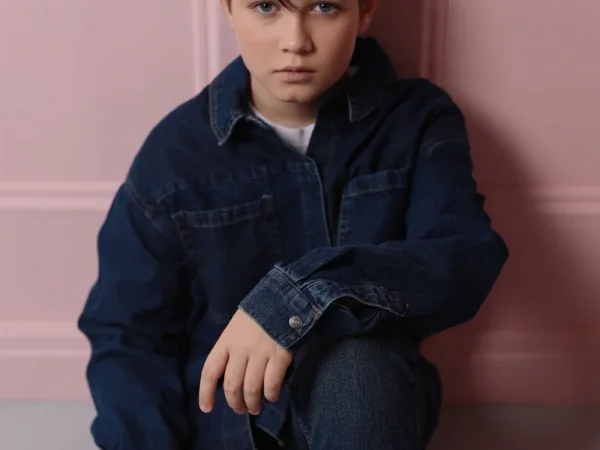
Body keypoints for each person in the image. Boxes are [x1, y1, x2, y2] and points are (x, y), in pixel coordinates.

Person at [77, 0, 509, 448]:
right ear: (229, 9)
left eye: (324, 6)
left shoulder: (416, 120)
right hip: (231, 429)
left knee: (357, 360)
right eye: (266, 6)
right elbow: (129, 335)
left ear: (364, 11)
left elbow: (463, 254)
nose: (296, 42)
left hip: (368, 406)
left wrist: (299, 298)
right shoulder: (175, 154)